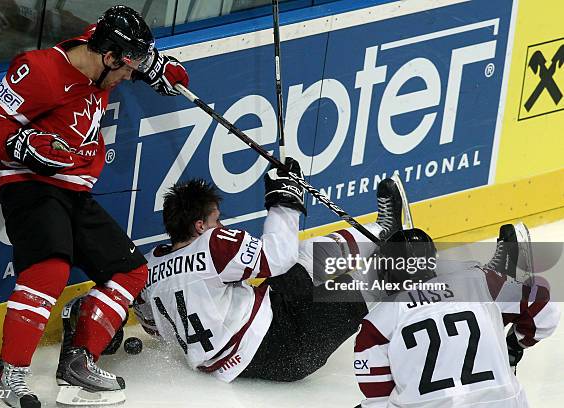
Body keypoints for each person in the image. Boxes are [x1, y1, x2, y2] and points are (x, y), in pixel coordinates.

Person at [0, 5, 189, 408]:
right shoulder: (39, 71)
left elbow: (129, 50)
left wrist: (157, 67)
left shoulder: (102, 44)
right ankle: (9, 373)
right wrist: (24, 146)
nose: (129, 77)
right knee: (50, 268)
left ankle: (78, 362)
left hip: (74, 190)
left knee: (130, 270)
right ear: (107, 57)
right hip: (31, 184)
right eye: (126, 68)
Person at [133, 159, 406, 383]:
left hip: (250, 344)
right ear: (201, 226)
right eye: (217, 219)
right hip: (288, 347)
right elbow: (278, 257)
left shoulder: (148, 268)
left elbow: (153, 326)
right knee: (356, 287)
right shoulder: (212, 245)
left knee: (303, 260)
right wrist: (284, 201)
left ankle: (382, 230)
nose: (222, 224)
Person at [353, 223, 560, 407]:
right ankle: (504, 279)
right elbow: (546, 313)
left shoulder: (375, 324)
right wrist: (512, 349)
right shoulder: (479, 281)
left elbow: (377, 399)